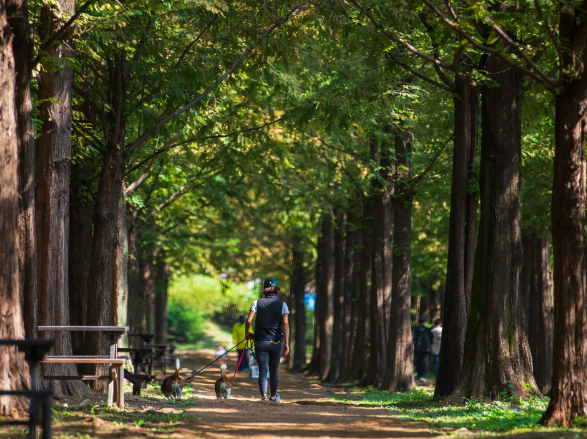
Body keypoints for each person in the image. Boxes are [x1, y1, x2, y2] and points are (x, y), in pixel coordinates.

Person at [245, 277, 290, 402]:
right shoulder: (283, 305)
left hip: (261, 341)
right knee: (274, 370)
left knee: (263, 370)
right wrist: (286, 343)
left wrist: (247, 333)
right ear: (276, 290)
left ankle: (263, 396)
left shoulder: (257, 303)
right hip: (276, 342)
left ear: (264, 289)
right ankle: (274, 396)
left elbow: (249, 320)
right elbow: (285, 324)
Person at [412, 315, 433, 382]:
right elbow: (431, 339)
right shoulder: (428, 330)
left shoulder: (415, 329)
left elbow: (413, 338)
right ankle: (423, 376)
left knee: (418, 361)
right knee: (425, 362)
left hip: (418, 348)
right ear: (424, 321)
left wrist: (413, 346)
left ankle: (419, 375)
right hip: (426, 348)